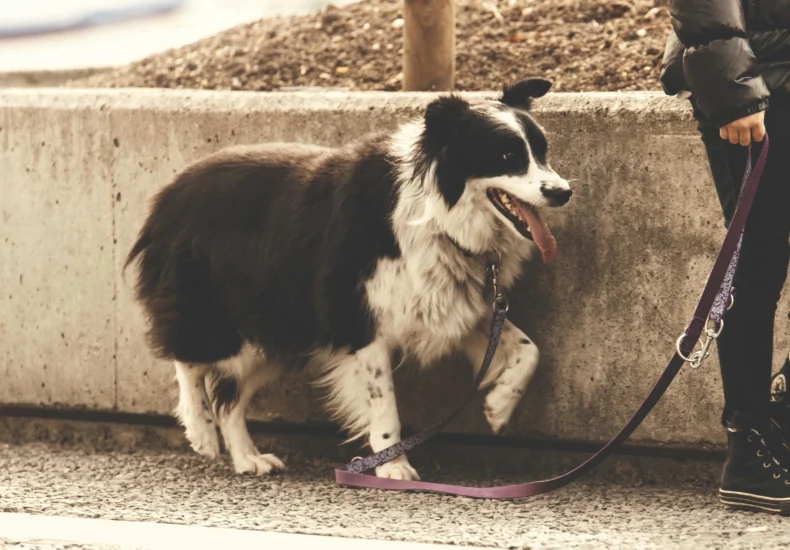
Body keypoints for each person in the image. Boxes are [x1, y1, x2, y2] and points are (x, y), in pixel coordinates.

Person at [661, 0, 790, 515]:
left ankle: (780, 418)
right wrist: (735, 91)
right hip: (759, 81)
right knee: (757, 263)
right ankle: (750, 449)